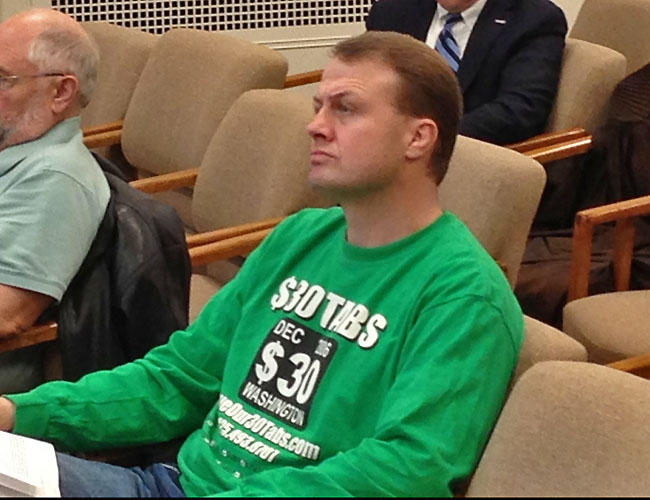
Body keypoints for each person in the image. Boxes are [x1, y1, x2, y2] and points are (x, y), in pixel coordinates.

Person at [0, 31, 523, 497]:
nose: (315, 127)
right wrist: (20, 412)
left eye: (346, 109)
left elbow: (405, 470)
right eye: (318, 106)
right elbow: (179, 379)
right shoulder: (301, 236)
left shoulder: (464, 295)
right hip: (174, 484)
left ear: (418, 138)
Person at [0, 9, 109, 392]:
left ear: (60, 92)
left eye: (2, 79)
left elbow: (7, 314)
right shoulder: (16, 148)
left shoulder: (55, 178)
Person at [366, 0, 568, 145]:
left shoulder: (533, 19)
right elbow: (368, 86)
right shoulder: (391, 11)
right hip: (380, 153)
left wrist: (425, 137)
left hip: (466, 160)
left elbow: (520, 110)